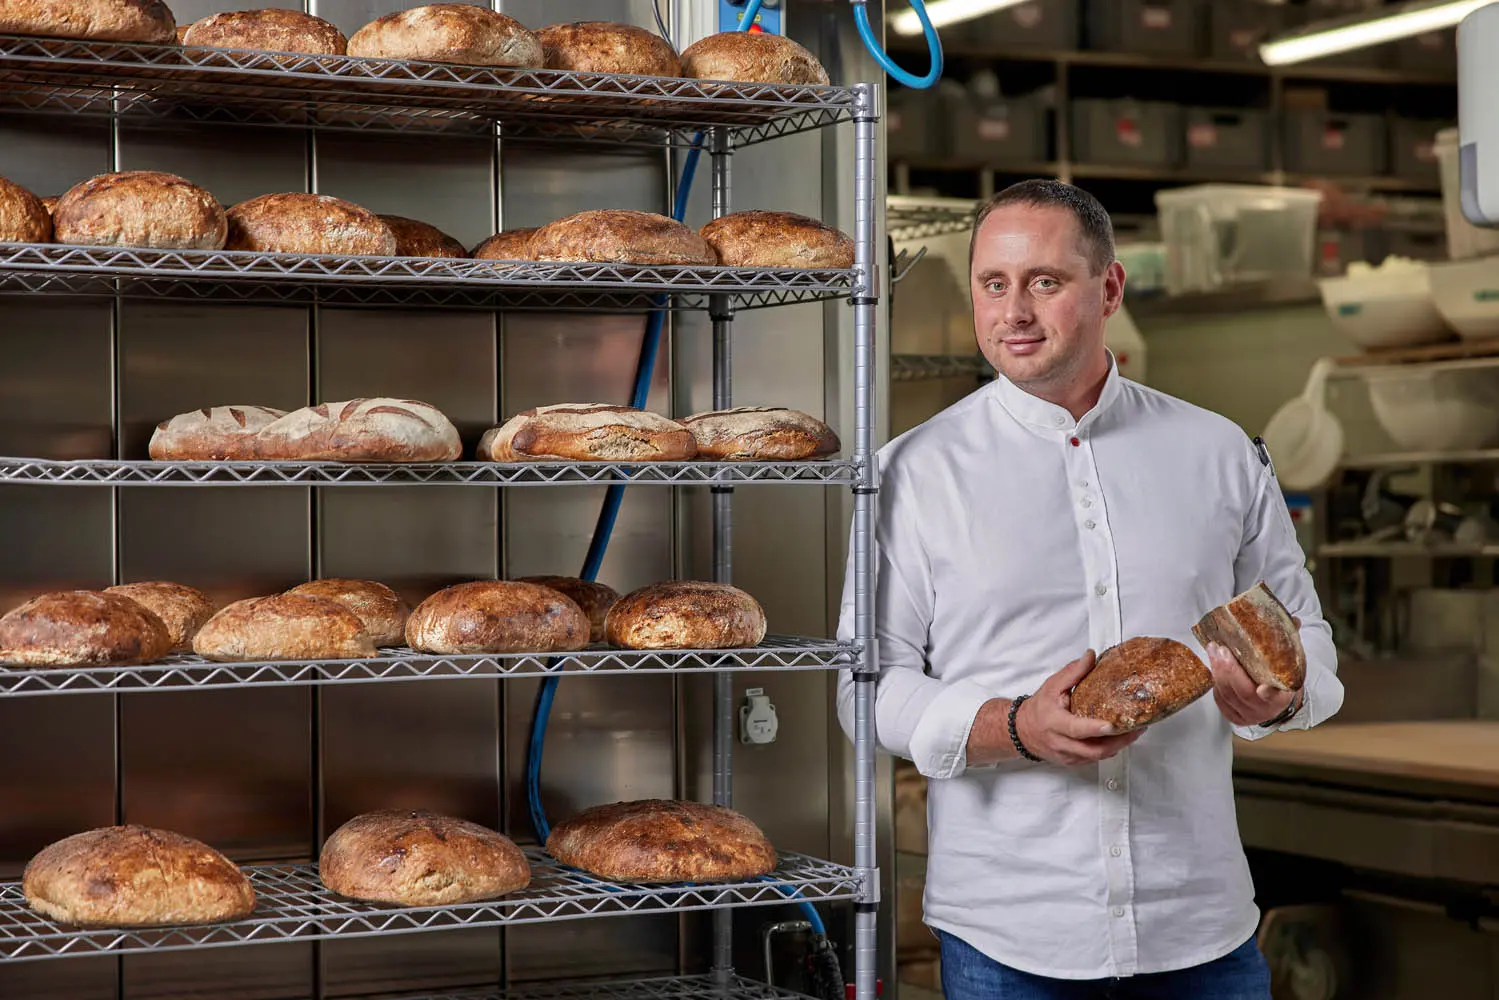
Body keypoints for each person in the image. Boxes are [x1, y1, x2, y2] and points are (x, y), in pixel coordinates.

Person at [836, 179, 1345, 999]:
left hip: (1202, 930)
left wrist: (1279, 699)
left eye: (1044, 281)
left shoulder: (1217, 454)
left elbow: (1305, 636)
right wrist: (1015, 728)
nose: (1014, 313)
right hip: (1009, 937)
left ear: (1107, 288)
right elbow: (864, 690)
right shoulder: (911, 474)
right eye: (992, 285)